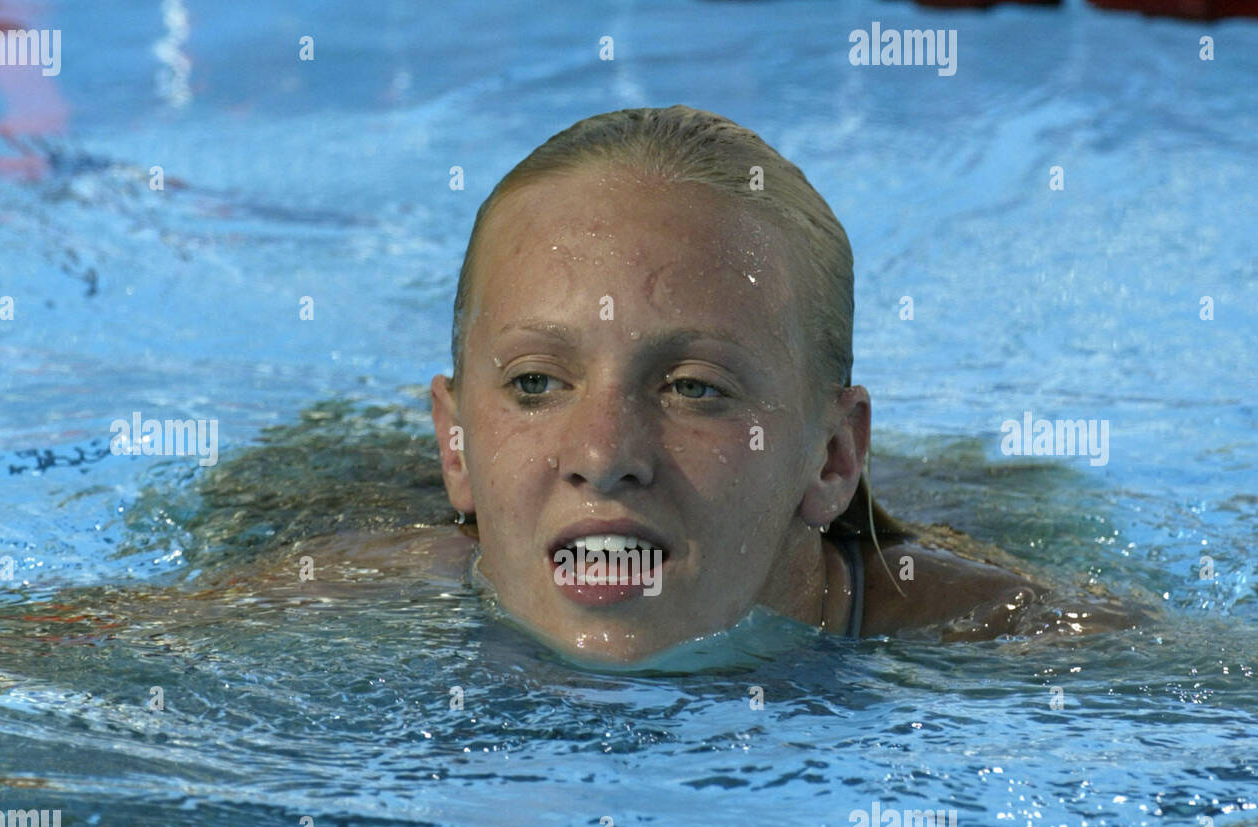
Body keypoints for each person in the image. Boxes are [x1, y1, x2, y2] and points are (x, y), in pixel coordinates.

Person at [390, 104, 1140, 665]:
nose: (602, 452)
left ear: (833, 457)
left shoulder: (1011, 641)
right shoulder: (346, 606)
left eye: (693, 388)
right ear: (454, 446)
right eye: (534, 382)